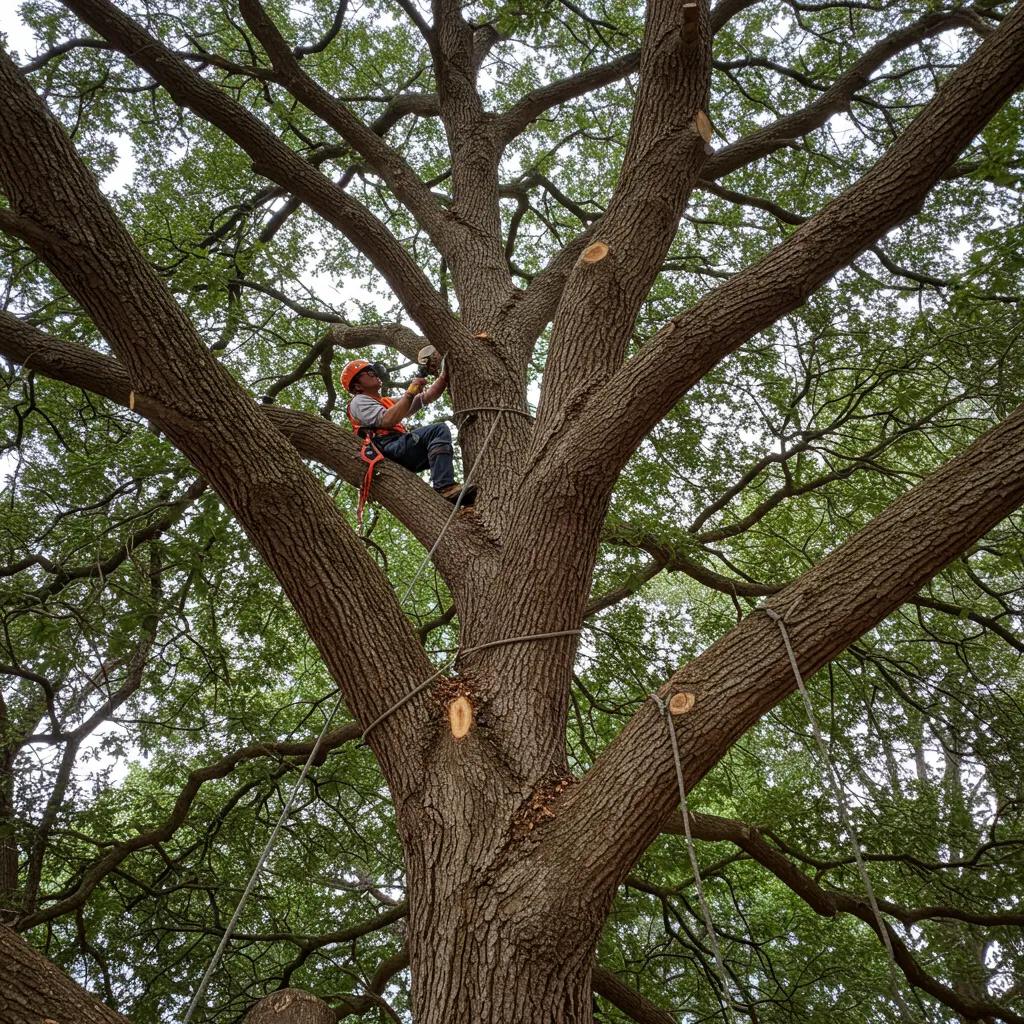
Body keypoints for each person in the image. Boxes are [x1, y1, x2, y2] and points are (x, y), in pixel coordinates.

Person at [340, 358, 476, 506]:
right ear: (357, 386)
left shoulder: (386, 401)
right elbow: (387, 420)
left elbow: (425, 397)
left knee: (438, 443)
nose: (373, 373)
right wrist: (409, 394)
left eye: (372, 370)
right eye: (366, 372)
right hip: (387, 448)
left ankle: (452, 492)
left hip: (398, 447)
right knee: (438, 430)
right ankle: (444, 486)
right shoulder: (358, 401)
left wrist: (444, 377)